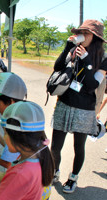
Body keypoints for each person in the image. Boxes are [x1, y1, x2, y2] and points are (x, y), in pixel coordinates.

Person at [51, 19, 107, 193]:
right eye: (80, 32)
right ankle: (54, 171)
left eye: (86, 33)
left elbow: (91, 85)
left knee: (78, 146)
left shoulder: (103, 59)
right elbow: (58, 66)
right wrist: (68, 46)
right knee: (55, 146)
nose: (81, 35)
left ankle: (73, 177)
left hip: (85, 109)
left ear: (95, 37)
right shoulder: (75, 49)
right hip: (64, 102)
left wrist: (86, 60)